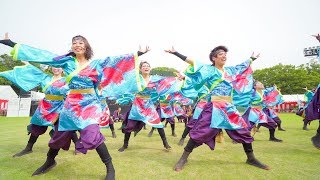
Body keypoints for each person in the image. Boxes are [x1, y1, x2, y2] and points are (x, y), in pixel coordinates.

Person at [2, 34, 148, 179]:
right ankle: (50, 161)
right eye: (74, 43)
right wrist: (11, 43)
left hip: (89, 104)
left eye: (80, 42)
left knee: (92, 135)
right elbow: (43, 55)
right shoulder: (67, 62)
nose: (77, 44)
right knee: (58, 136)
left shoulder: (96, 63)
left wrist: (138, 53)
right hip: (71, 104)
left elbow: (115, 62)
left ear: (86, 46)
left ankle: (110, 168)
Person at [165, 46, 270, 171]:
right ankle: (183, 158)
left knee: (243, 131)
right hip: (214, 106)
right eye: (221, 54)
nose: (224, 55)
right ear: (214, 58)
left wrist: (252, 58)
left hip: (229, 107)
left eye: (225, 53)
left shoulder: (230, 70)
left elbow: (242, 66)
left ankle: (251, 158)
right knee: (199, 132)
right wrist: (176, 53)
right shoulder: (209, 70)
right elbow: (193, 62)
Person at [118, 61, 181, 152]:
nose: (146, 67)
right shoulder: (137, 79)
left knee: (158, 124)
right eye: (144, 66)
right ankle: (125, 145)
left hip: (148, 104)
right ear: (140, 69)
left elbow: (166, 83)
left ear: (150, 68)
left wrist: (177, 79)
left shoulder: (154, 79)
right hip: (137, 105)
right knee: (129, 125)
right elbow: (126, 81)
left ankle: (166, 144)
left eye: (148, 66)